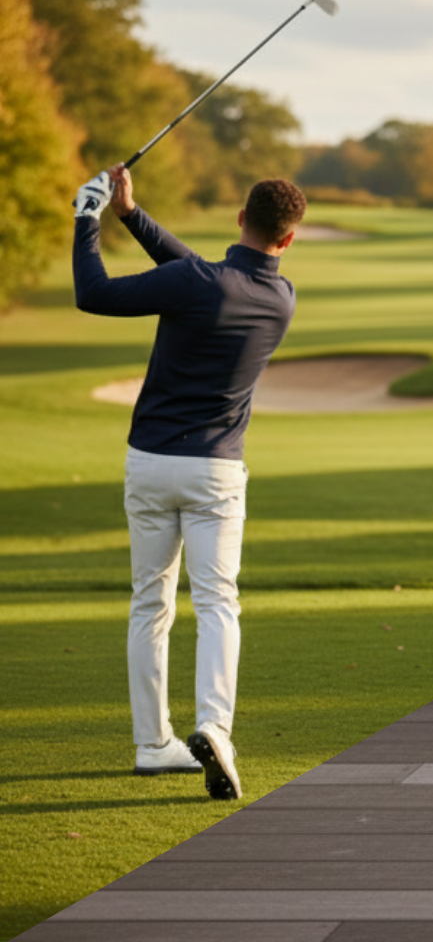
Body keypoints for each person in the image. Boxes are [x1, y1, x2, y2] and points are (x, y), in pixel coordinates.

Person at [71, 163, 304, 801]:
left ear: (239, 219)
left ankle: (153, 745)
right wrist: (130, 214)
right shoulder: (279, 300)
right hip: (216, 473)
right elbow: (204, 274)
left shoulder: (194, 282)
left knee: (151, 605)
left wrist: (86, 219)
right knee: (218, 602)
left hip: (149, 464)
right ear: (287, 240)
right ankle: (215, 729)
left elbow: (94, 294)